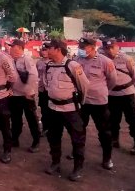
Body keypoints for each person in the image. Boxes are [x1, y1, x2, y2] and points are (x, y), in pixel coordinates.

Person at [42, 39, 90, 180]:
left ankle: (77, 167)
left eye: (49, 48)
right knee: (53, 137)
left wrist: (79, 103)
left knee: (77, 139)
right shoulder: (49, 66)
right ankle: (55, 162)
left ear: (57, 49)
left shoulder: (72, 65)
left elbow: (84, 86)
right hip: (53, 108)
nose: (46, 50)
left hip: (70, 109)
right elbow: (46, 84)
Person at [75, 37, 117, 170]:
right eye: (80, 47)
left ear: (93, 48)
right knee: (79, 129)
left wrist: (102, 91)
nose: (81, 49)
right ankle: (77, 154)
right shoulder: (77, 60)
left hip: (99, 102)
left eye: (84, 47)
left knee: (104, 132)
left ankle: (107, 157)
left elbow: (112, 81)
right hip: (82, 101)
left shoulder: (105, 61)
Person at [101, 39, 135, 155]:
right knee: (113, 119)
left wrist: (131, 89)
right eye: (107, 48)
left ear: (117, 47)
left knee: (132, 120)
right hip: (112, 94)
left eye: (112, 47)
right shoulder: (103, 60)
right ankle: (114, 139)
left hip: (126, 93)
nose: (110, 50)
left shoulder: (126, 59)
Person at [7, 39, 41, 152]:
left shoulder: (26, 59)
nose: (10, 48)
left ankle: (36, 141)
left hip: (27, 95)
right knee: (15, 119)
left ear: (20, 48)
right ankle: (15, 139)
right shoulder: (10, 59)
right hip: (15, 94)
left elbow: (33, 75)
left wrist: (27, 90)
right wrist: (10, 89)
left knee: (31, 119)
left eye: (13, 46)